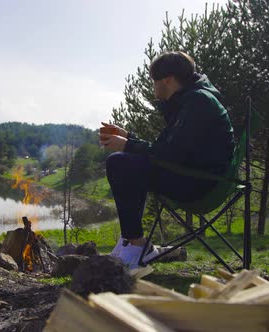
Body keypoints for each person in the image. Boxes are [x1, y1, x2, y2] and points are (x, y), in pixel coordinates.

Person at [99, 51, 235, 274]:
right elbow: (167, 148)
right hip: (196, 175)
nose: (153, 87)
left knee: (119, 163)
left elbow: (169, 153)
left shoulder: (197, 102)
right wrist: (129, 137)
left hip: (199, 183)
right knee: (126, 163)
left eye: (154, 80)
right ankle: (131, 243)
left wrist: (126, 145)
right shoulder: (191, 100)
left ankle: (135, 246)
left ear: (167, 79)